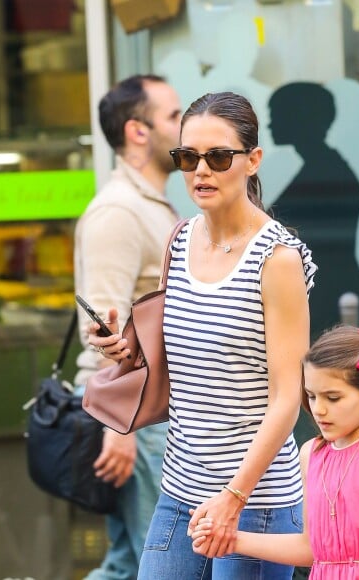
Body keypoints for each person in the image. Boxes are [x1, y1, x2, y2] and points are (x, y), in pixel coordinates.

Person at [87, 91, 317, 579]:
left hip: (257, 501)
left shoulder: (277, 259)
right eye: (188, 157)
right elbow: (180, 355)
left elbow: (287, 398)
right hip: (180, 488)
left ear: (253, 160)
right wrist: (122, 349)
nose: (201, 171)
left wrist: (234, 497)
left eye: (218, 157)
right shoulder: (180, 237)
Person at [192, 321, 359, 579]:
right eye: (311, 396)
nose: (318, 409)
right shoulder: (310, 454)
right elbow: (312, 548)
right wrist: (230, 539)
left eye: (332, 398)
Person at [74, 74, 182, 580]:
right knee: (157, 560)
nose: (186, 129)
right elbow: (99, 324)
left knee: (126, 564)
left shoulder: (149, 205)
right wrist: (120, 428)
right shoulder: (118, 212)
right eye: (174, 117)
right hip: (137, 412)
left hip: (149, 410)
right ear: (139, 132)